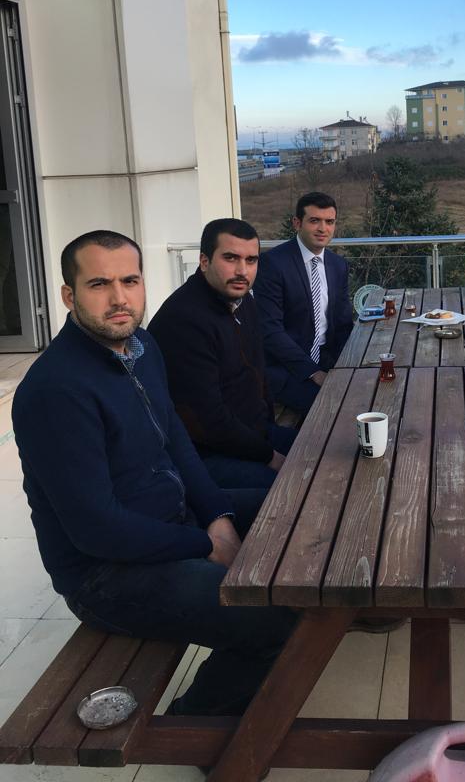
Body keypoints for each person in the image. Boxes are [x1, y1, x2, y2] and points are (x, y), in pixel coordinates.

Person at [12, 230, 296, 716]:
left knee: (296, 516)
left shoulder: (141, 345)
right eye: (99, 284)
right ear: (69, 295)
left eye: (130, 281)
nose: (119, 298)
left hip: (173, 518)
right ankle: (193, 729)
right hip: (107, 575)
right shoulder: (56, 390)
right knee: (272, 620)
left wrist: (218, 516)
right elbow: (97, 530)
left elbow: (176, 442)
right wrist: (205, 544)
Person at [148, 218, 296, 491]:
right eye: (231, 258)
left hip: (252, 434)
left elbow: (257, 369)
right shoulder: (184, 320)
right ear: (204, 261)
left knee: (327, 449)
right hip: (207, 454)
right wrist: (270, 456)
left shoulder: (242, 300)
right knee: (295, 490)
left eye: (251, 260)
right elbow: (207, 420)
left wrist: (267, 428)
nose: (242, 271)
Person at [256, 191, 353, 414]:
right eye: (314, 220)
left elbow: (343, 324)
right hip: (286, 367)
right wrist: (312, 371)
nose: (323, 229)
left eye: (329, 222)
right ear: (297, 223)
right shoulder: (272, 264)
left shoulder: (338, 265)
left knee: (367, 389)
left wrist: (348, 365)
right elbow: (270, 331)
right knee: (335, 407)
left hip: (327, 359)